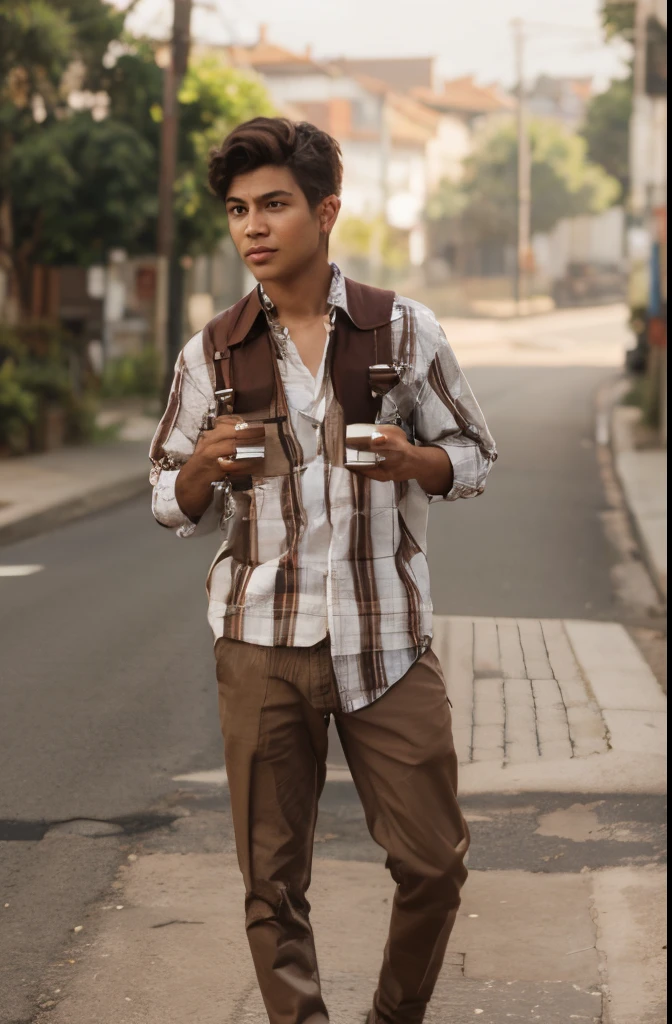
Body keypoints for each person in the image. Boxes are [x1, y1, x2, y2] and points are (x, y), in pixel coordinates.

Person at [149, 116, 497, 1024]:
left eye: (274, 205)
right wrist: (197, 470)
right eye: (237, 210)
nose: (253, 229)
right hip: (259, 644)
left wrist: (420, 463)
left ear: (326, 211)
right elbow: (163, 494)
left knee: (433, 862)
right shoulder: (211, 352)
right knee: (271, 885)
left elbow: (476, 452)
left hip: (387, 639)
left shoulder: (404, 330)